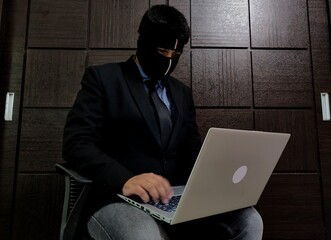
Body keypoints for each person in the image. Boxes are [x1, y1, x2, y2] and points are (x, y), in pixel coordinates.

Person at [62, 4, 263, 240]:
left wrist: (219, 177)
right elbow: (77, 144)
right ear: (143, 42)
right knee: (145, 235)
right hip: (118, 197)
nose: (169, 61)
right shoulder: (103, 79)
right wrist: (125, 179)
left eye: (175, 55)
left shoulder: (182, 93)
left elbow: (191, 148)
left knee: (249, 220)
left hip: (175, 199)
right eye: (163, 52)